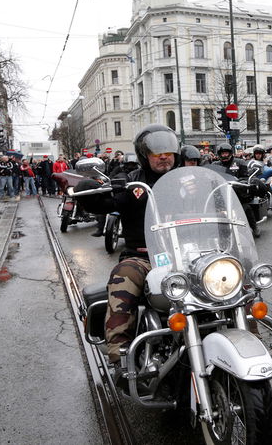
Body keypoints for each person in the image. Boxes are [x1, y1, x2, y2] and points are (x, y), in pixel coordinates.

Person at [75, 124, 181, 363]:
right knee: (124, 277)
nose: (164, 156)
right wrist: (90, 189)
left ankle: (245, 339)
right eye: (157, 152)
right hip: (144, 257)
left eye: (168, 152)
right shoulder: (131, 181)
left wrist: (244, 187)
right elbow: (103, 203)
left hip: (188, 254)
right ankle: (120, 354)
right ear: (145, 155)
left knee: (233, 275)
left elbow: (220, 193)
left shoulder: (187, 178)